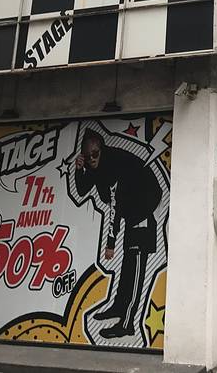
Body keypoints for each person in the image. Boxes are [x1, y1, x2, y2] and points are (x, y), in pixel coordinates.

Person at [75, 129, 162, 338]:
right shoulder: (96, 166)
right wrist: (79, 169)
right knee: (127, 264)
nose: (91, 159)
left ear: (102, 151)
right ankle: (118, 307)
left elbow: (115, 206)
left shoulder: (114, 165)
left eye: (95, 154)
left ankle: (128, 323)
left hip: (144, 211)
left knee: (136, 268)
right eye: (87, 156)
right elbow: (82, 189)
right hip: (132, 213)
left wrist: (110, 243)